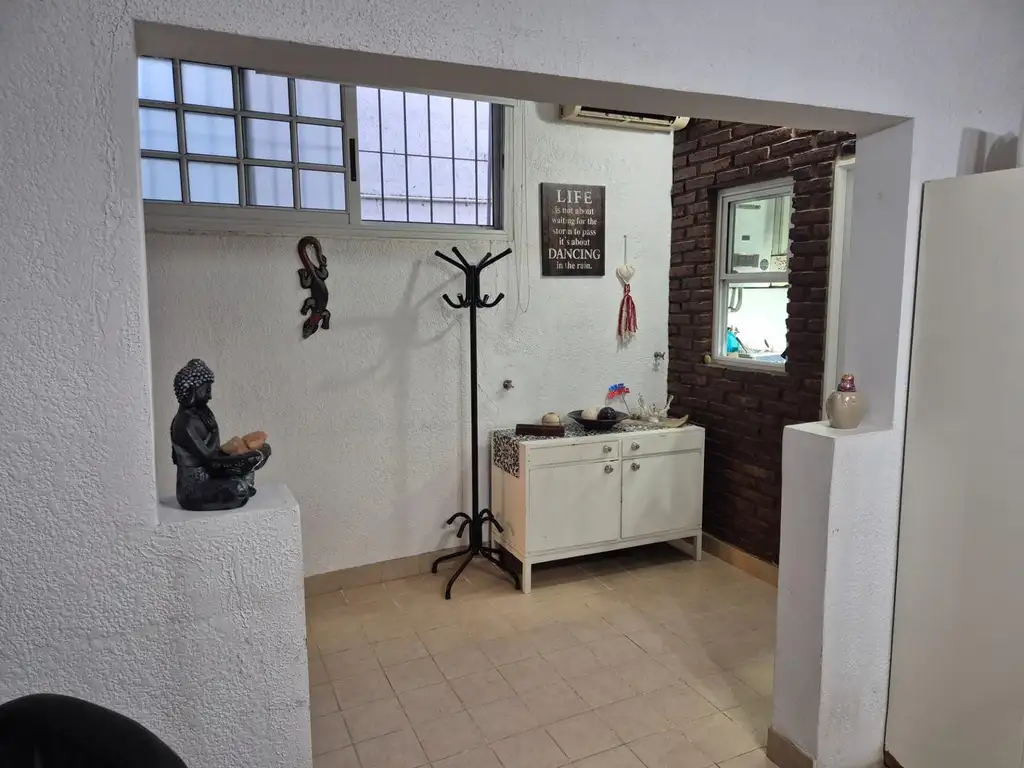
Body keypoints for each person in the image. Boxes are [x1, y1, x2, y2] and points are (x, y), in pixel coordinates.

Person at [169, 359, 270, 511]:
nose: (210, 396)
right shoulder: (184, 423)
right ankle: (240, 488)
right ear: (192, 390)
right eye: (206, 390)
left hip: (211, 475)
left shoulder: (204, 413)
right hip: (194, 488)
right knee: (239, 488)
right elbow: (209, 458)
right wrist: (215, 431)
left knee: (247, 475)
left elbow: (215, 450)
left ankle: (240, 486)